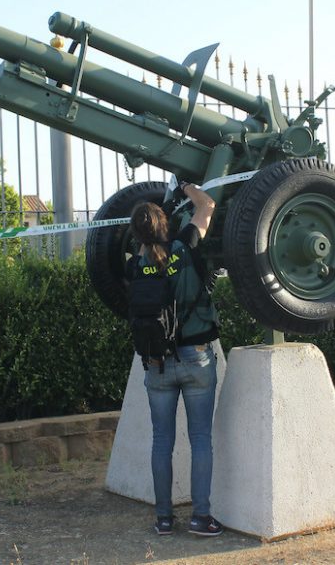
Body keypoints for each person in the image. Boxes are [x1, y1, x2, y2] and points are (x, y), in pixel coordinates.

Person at [128, 181, 224, 537]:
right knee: (200, 438)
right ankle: (201, 518)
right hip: (196, 357)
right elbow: (208, 206)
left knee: (161, 442)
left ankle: (164, 519)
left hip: (156, 363)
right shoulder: (185, 247)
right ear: (165, 225)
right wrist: (187, 187)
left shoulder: (135, 266)